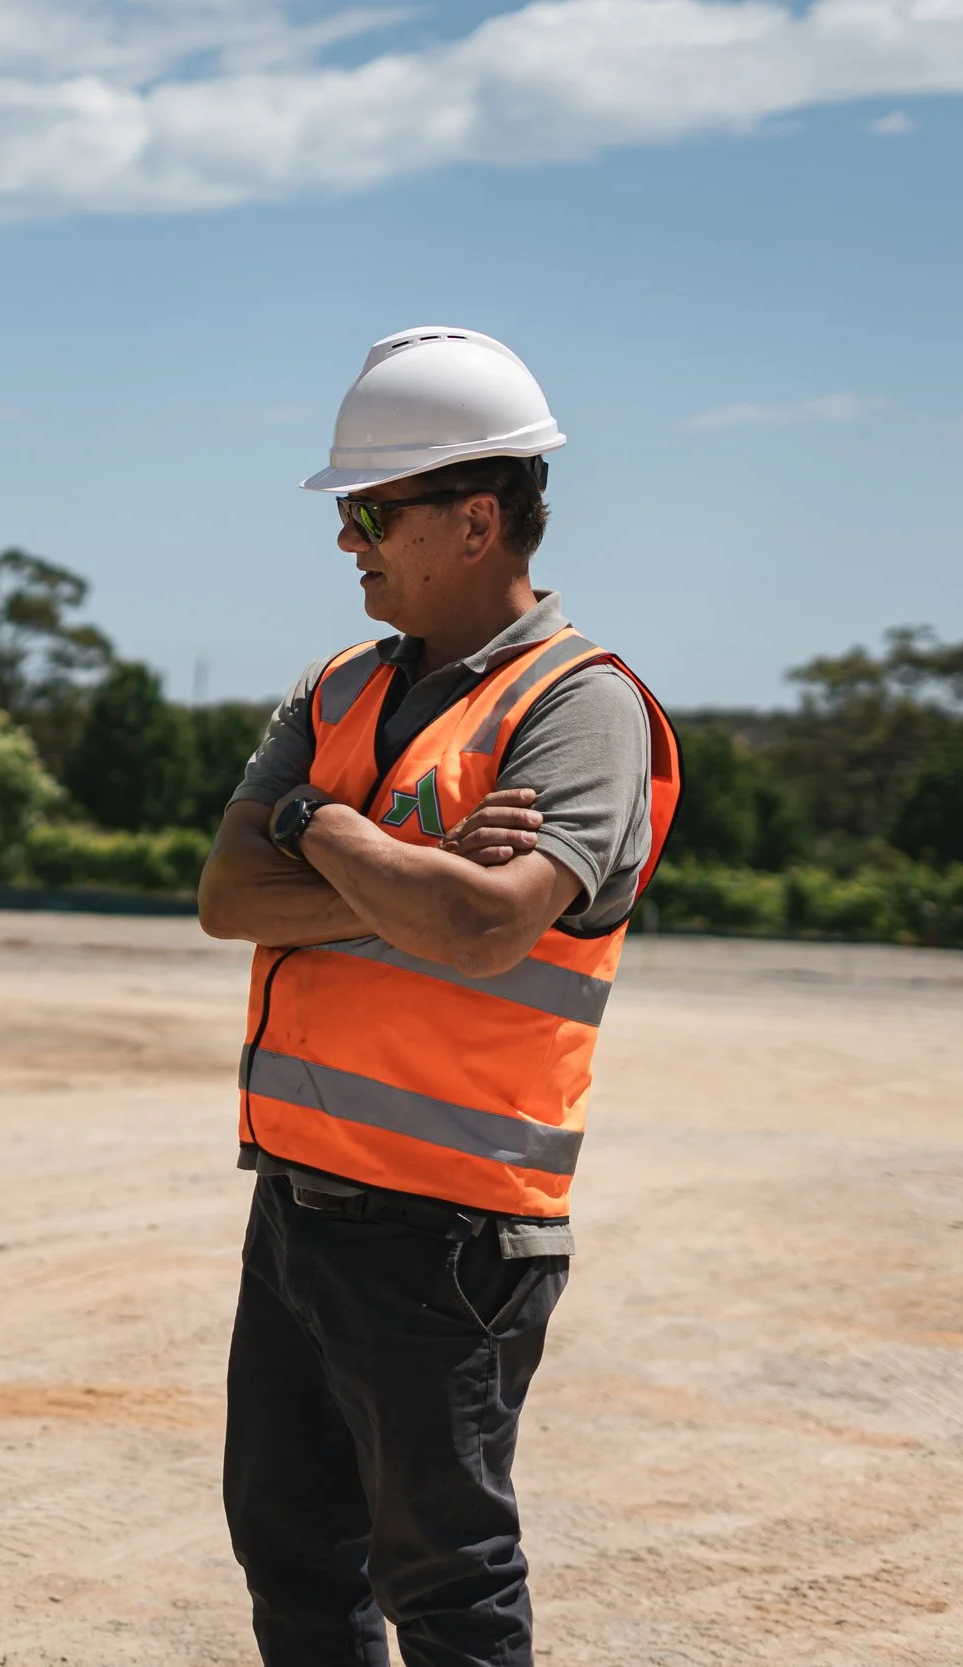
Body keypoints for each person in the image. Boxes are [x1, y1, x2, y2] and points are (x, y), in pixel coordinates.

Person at [196, 326, 682, 1667]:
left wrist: (316, 818)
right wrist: (405, 869)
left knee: (448, 1586)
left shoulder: (583, 709)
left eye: (371, 509)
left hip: (449, 1235)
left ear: (476, 518)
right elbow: (229, 895)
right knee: (292, 1559)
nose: (347, 539)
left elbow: (483, 924)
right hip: (293, 1199)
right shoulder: (338, 684)